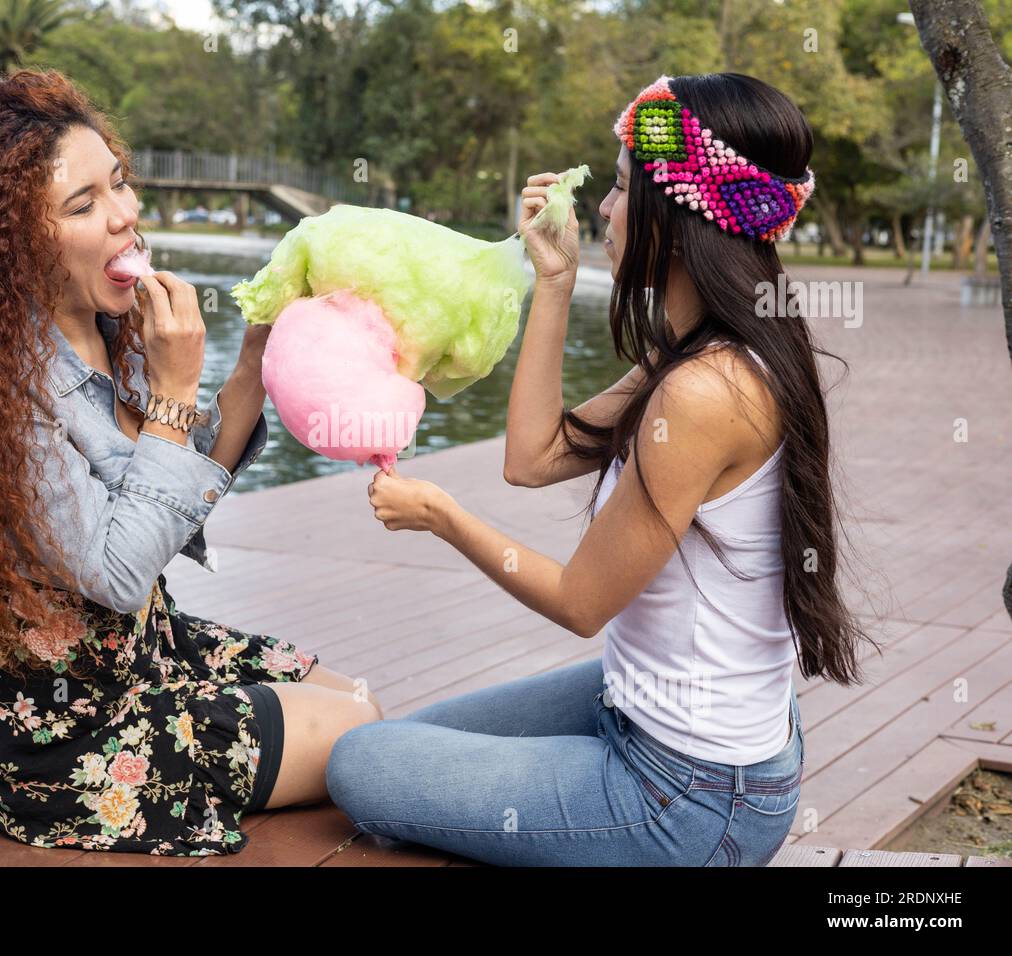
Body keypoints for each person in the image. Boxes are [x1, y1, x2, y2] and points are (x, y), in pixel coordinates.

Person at [329, 72, 877, 866]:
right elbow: (533, 457)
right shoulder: (699, 352)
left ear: (682, 214)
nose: (607, 210)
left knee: (360, 765)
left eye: (622, 189)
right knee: (401, 740)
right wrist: (553, 280)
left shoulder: (706, 390)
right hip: (646, 714)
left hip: (689, 795)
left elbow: (582, 602)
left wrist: (442, 515)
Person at [0, 69, 381, 856]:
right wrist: (176, 393)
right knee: (360, 731)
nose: (125, 218)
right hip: (61, 735)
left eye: (118, 184)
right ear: (15, 241)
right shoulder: (1, 388)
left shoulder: (110, 326)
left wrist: (250, 362)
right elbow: (116, 572)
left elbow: (172, 504)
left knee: (351, 699)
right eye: (84, 206)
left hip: (145, 650)